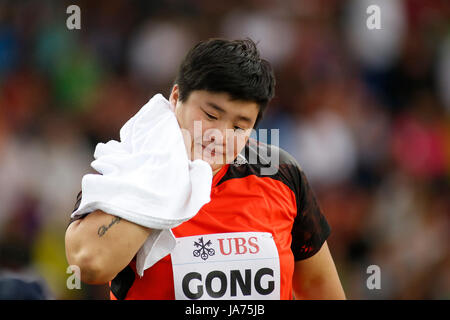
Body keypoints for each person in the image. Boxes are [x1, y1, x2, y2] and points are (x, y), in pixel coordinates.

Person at [65, 38, 346, 300]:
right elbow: (91, 264)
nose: (220, 135)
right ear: (176, 97)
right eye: (211, 115)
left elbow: (317, 284)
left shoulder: (279, 174)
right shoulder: (128, 171)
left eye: (239, 126)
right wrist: (163, 182)